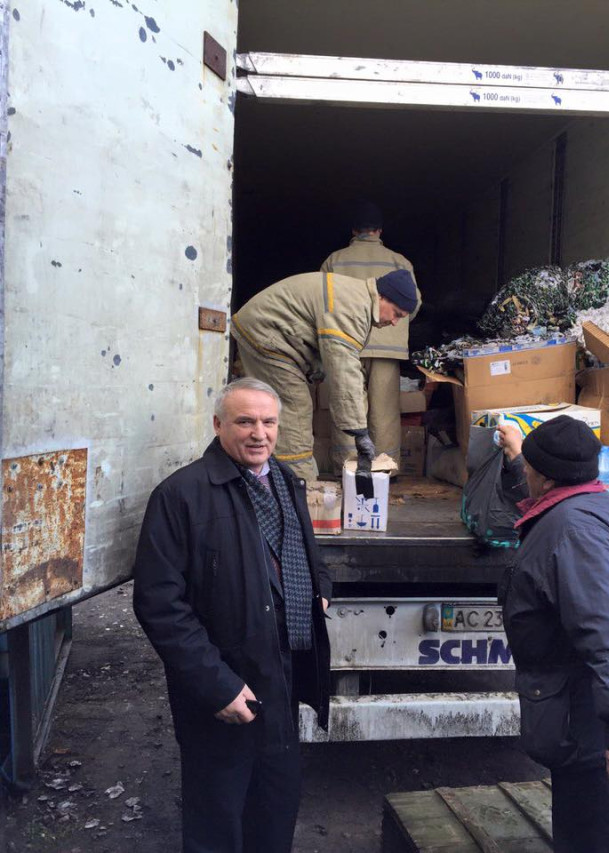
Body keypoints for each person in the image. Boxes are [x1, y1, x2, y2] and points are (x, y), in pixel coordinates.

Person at [132, 378, 332, 853]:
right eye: (245, 421)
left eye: (268, 422)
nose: (259, 433)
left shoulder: (284, 479)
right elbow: (159, 604)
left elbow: (307, 551)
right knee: (217, 818)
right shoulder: (181, 495)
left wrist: (319, 590)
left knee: (275, 806)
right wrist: (216, 685)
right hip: (224, 686)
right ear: (218, 424)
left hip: (282, 675)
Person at [497, 416, 609, 853]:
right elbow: (540, 502)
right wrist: (518, 455)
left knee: (591, 839)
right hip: (582, 712)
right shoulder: (585, 500)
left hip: (591, 725)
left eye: (530, 468)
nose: (525, 472)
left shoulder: (576, 534)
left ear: (546, 477)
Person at [230, 268, 418, 482]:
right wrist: (359, 431)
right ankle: (300, 487)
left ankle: (268, 477)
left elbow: (329, 348)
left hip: (267, 332)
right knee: (295, 410)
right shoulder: (353, 309)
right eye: (396, 314)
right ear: (383, 296)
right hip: (266, 335)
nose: (394, 322)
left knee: (277, 410)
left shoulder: (357, 299)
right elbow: (345, 374)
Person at [321, 201, 421, 473]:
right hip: (387, 348)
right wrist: (393, 327)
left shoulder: (335, 260)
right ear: (379, 231)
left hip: (345, 344)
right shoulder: (399, 261)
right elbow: (413, 305)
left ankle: (347, 469)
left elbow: (322, 303)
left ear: (354, 230)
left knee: (347, 403)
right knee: (384, 412)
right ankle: (386, 470)